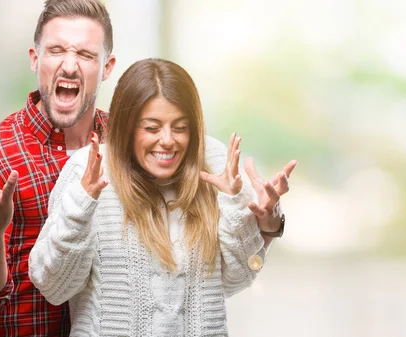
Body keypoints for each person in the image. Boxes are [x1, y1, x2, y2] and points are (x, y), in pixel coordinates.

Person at [0, 0, 296, 336]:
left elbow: (230, 273)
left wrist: (266, 225)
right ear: (36, 59)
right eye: (57, 50)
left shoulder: (147, 147)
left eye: (86, 55)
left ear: (107, 66)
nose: (71, 66)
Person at [28, 58, 276, 336]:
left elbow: (237, 278)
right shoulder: (89, 169)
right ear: (126, 127)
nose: (168, 140)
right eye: (152, 127)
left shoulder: (215, 162)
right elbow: (54, 287)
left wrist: (240, 208)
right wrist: (79, 208)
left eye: (180, 127)